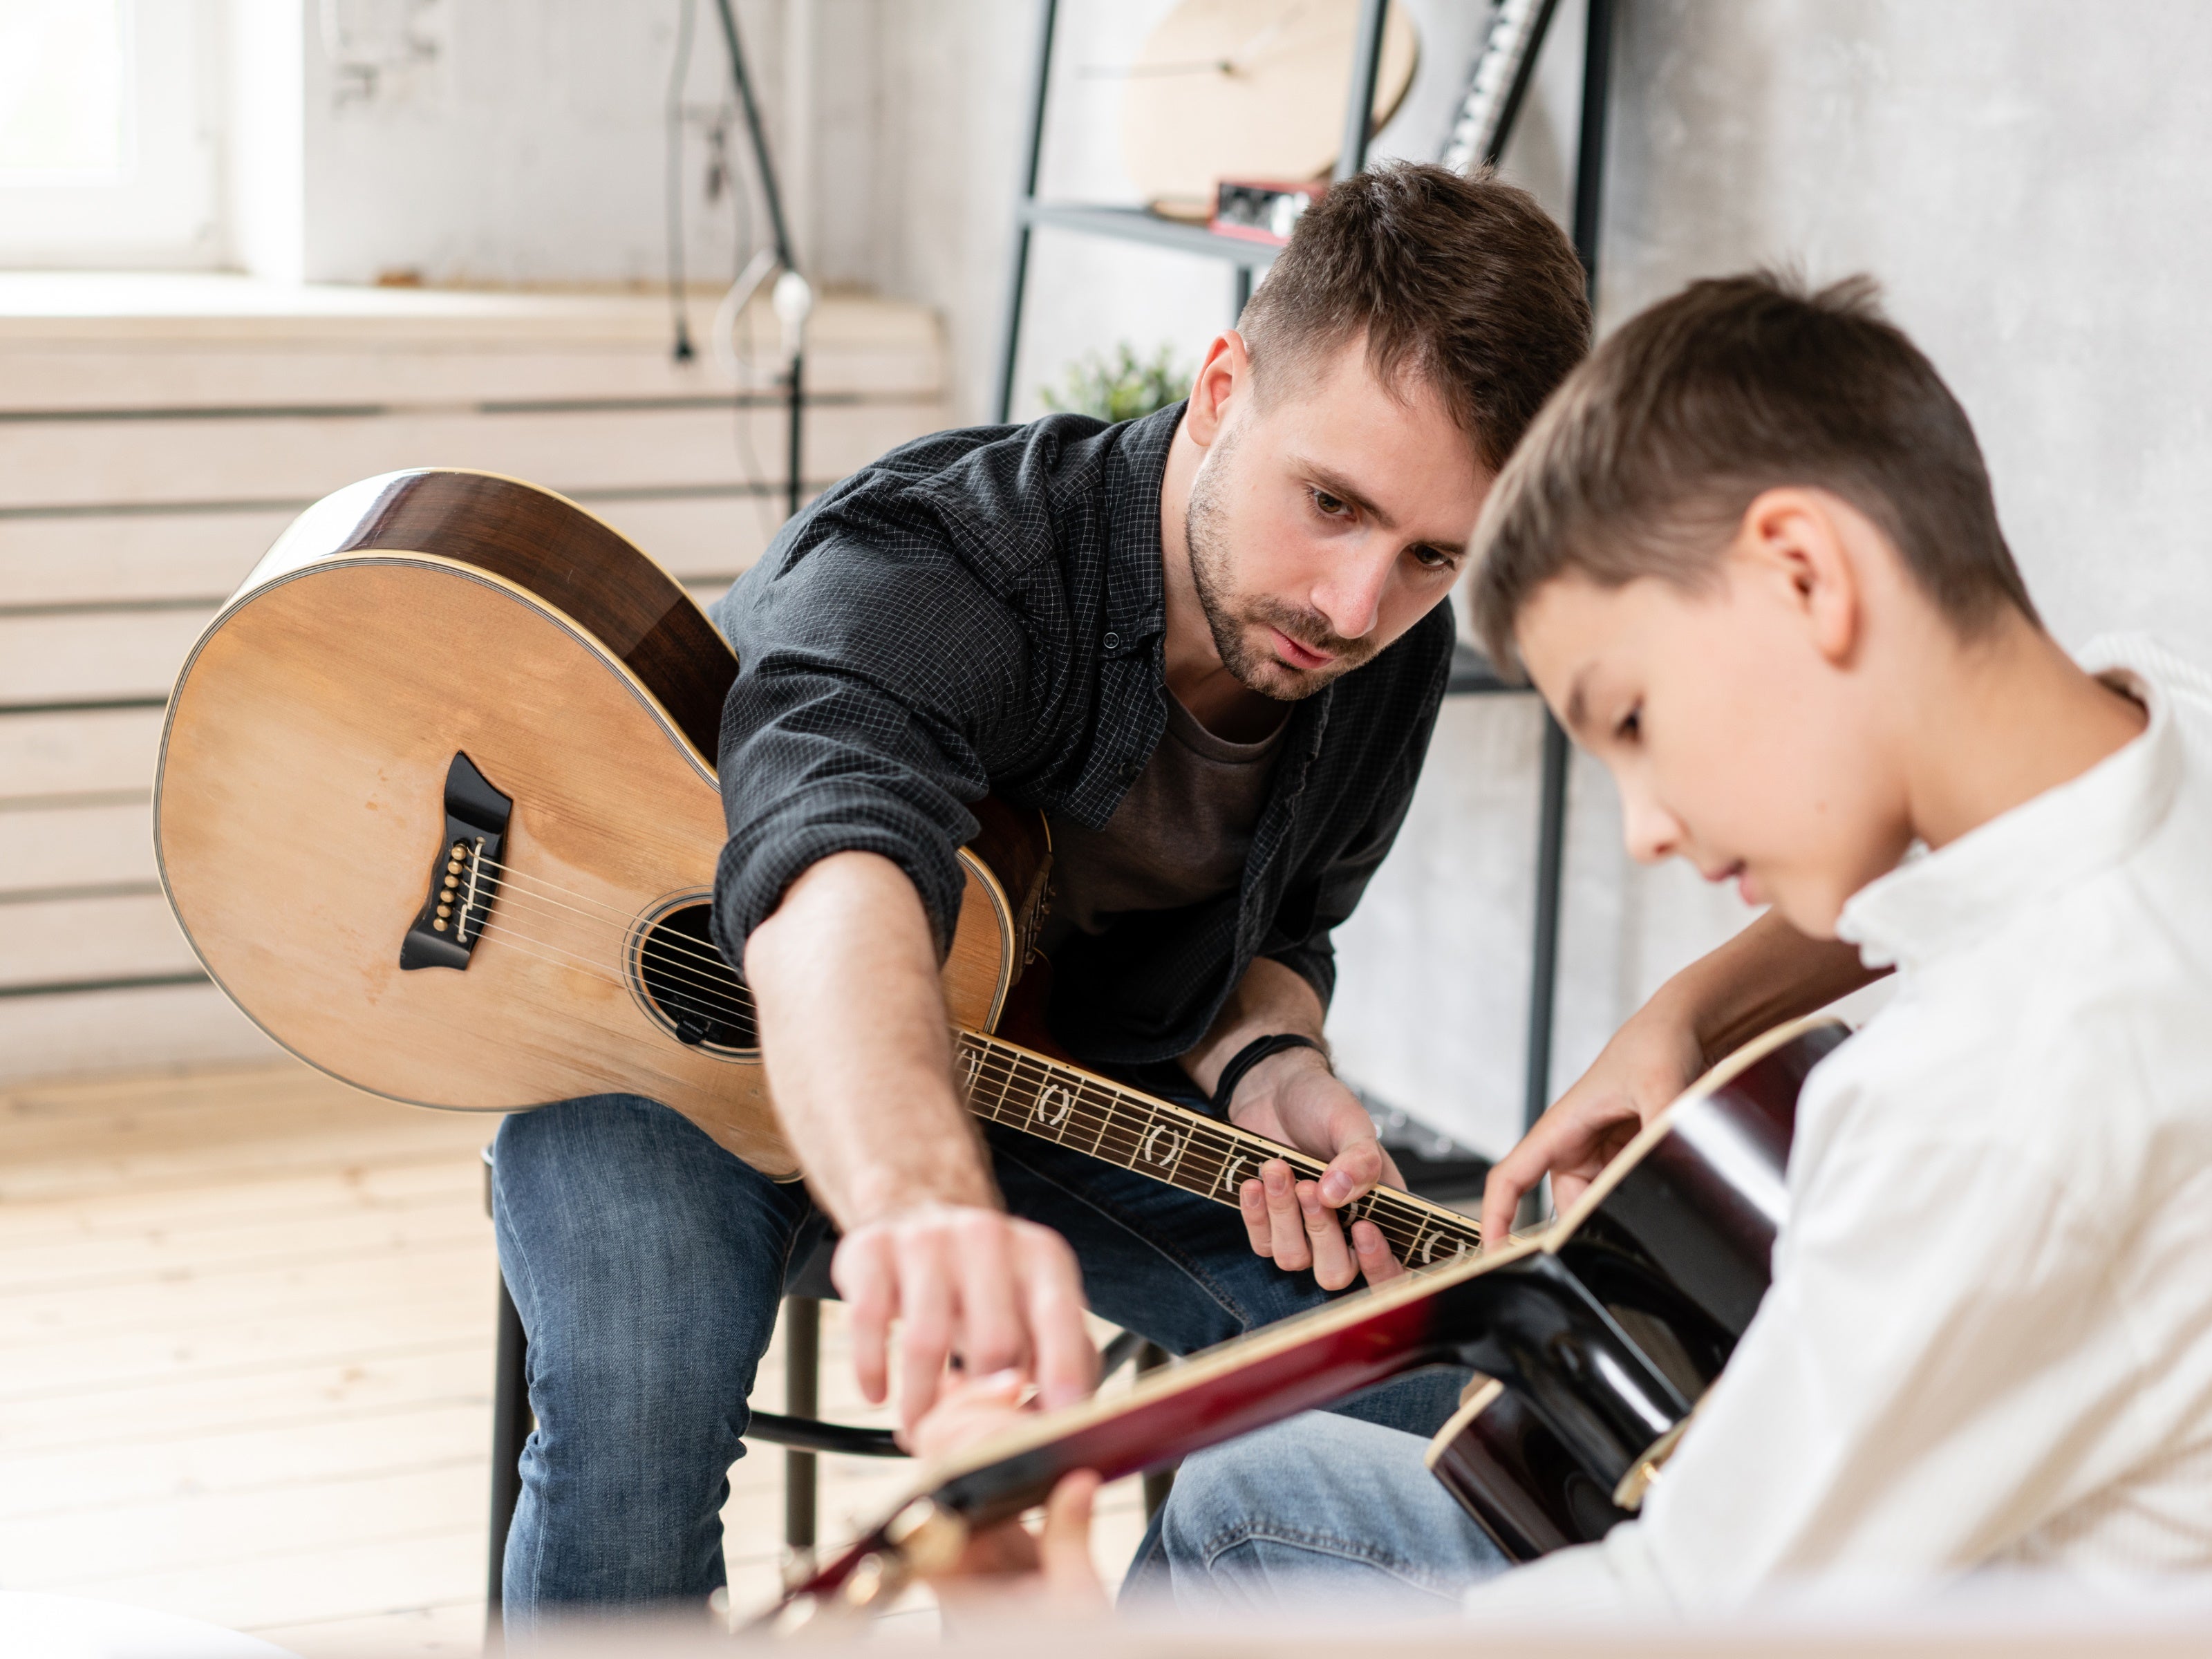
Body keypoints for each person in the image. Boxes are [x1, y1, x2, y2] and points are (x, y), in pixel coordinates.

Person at [924, 269, 2212, 1614]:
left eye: (1634, 720)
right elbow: (2017, 840)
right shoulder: (2159, 722)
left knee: (1246, 1517)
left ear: (1801, 571)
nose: (1646, 830)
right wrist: (1691, 1016)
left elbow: (1675, 1617)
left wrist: (1045, 1625)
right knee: (1272, 1478)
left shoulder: (1986, 1106)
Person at [485, 162, 1613, 1627]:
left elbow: (1283, 932)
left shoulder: (1384, 658)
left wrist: (1269, 1056)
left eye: (1429, 555)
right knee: (633, 1409)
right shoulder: (950, 553)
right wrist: (916, 1201)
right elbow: (831, 876)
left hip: (1046, 1093)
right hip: (667, 1060)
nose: (1355, 606)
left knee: (1438, 1386)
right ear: (1222, 389)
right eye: (1330, 503)